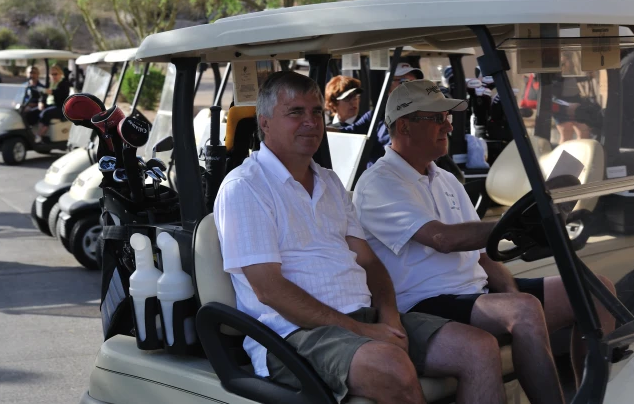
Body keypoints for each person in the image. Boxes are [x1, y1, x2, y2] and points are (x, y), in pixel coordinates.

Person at [215, 71, 506, 404]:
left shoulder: (330, 182)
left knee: (479, 347)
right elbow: (269, 290)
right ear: (264, 123)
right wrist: (365, 332)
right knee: (390, 365)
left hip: (361, 319)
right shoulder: (246, 187)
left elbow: (368, 261)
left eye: (316, 112)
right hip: (293, 336)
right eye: (296, 112)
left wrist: (389, 316)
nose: (311, 122)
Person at [353, 79, 618, 404]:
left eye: (448, 116)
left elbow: (483, 255)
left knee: (597, 291)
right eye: (437, 118)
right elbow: (443, 238)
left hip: (474, 294)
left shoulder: (446, 178)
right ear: (405, 126)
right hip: (423, 303)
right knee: (523, 310)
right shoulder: (379, 183)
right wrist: (517, 225)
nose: (448, 125)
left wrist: (509, 290)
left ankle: (590, 397)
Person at [331, 63, 424, 168]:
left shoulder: (426, 116)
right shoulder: (375, 116)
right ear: (388, 86)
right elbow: (348, 132)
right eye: (403, 82)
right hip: (377, 178)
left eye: (414, 83)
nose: (410, 87)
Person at [35, 64, 70, 143]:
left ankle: (39, 135)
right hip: (50, 106)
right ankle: (33, 134)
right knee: (33, 111)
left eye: (55, 74)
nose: (54, 76)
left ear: (60, 74)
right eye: (52, 74)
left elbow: (59, 94)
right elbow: (43, 96)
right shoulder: (50, 84)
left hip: (60, 107)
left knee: (45, 113)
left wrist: (49, 91)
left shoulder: (63, 84)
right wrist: (41, 102)